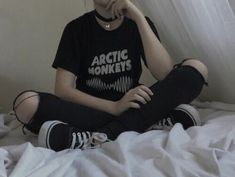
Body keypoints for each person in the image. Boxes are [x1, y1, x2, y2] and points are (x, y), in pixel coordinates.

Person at [13, 0, 208, 151]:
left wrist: (138, 17)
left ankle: (99, 135)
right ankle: (147, 124)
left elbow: (165, 73)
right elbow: (63, 90)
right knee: (25, 103)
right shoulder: (76, 29)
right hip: (90, 110)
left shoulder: (139, 24)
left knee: (195, 68)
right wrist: (114, 107)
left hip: (135, 106)